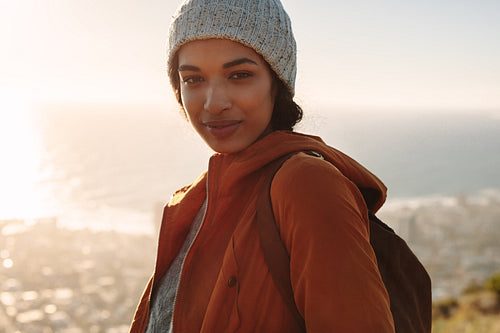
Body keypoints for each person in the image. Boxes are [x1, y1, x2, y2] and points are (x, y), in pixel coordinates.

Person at [130, 0, 395, 331]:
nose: (214, 103)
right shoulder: (198, 199)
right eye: (194, 79)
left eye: (239, 75)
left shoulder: (307, 184)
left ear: (277, 83)